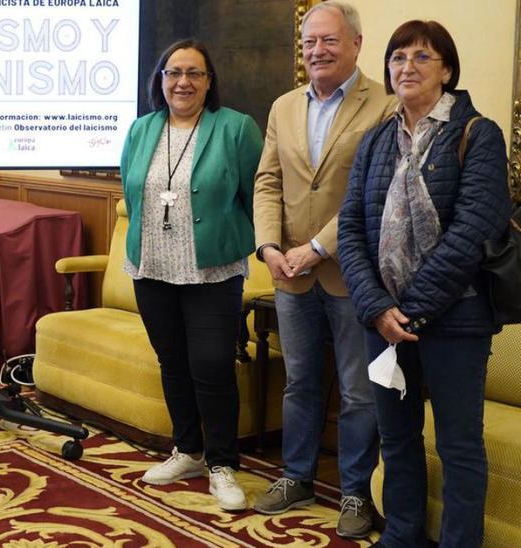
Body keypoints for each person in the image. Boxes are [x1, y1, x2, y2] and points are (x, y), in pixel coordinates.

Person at [338, 20, 511, 548]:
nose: (406, 68)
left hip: (455, 319)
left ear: (448, 71)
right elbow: (350, 229)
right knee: (396, 439)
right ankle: (402, 535)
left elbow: (474, 230)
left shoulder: (478, 134)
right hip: (383, 321)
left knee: (459, 446)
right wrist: (376, 306)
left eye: (421, 58)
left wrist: (411, 311)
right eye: (397, 58)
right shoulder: (374, 141)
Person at [250, 1, 393, 536]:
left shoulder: (382, 105)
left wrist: (317, 246)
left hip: (351, 272)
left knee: (359, 391)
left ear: (356, 44)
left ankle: (355, 492)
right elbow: (268, 182)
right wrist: (268, 246)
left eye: (329, 41)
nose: (317, 51)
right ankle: (297, 476)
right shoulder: (284, 105)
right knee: (300, 381)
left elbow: (369, 194)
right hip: (289, 270)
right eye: (310, 42)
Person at [123, 39, 263, 512]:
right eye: (173, 72)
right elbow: (132, 188)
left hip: (213, 269)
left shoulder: (236, 128)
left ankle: (222, 464)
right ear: (160, 79)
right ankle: (187, 451)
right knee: (173, 362)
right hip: (152, 266)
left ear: (209, 82)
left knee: (212, 365)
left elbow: (255, 195)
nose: (183, 82)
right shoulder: (143, 129)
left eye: (195, 74)